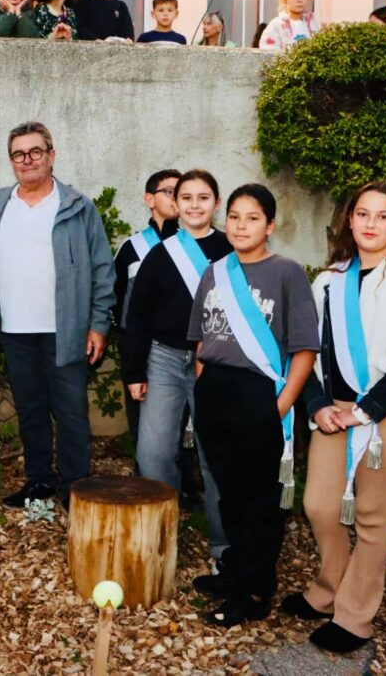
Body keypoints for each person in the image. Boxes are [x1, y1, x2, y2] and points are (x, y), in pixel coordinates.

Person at [282, 182, 386, 654]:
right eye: (362, 214)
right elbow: (308, 351)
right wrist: (316, 404)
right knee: (319, 505)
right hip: (335, 411)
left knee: (372, 515)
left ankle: (354, 616)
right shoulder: (328, 280)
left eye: (382, 216)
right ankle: (330, 585)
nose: (370, 224)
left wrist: (367, 410)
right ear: (348, 221)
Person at [0, 122, 115, 511]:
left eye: (35, 152)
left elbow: (102, 268)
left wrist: (98, 323)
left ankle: (75, 488)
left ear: (51, 155)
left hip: (67, 330)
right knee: (30, 411)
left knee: (71, 411)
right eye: (19, 154)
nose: (27, 160)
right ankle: (39, 481)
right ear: (11, 161)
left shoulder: (77, 207)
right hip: (15, 331)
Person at [187, 184, 319, 626]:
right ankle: (236, 572)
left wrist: (279, 407)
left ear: (270, 225)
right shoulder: (215, 271)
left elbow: (304, 349)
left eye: (252, 218)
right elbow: (202, 338)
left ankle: (256, 590)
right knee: (227, 493)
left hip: (259, 395)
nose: (241, 226)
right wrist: (203, 389)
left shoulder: (286, 273)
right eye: (235, 216)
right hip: (215, 393)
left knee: (258, 500)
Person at [120, 169, 232, 565]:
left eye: (204, 198)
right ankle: (159, 537)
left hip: (215, 362)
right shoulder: (159, 254)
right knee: (152, 453)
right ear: (175, 204)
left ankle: (223, 546)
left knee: (214, 456)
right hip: (163, 359)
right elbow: (137, 317)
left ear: (216, 204)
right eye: (187, 198)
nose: (195, 205)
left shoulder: (231, 250)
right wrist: (134, 372)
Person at [112, 169, 180, 440]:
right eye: (170, 191)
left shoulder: (199, 246)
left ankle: (186, 482)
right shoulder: (132, 248)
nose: (178, 198)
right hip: (144, 352)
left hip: (187, 352)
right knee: (147, 433)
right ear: (150, 200)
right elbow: (117, 304)